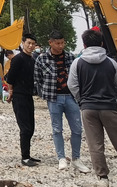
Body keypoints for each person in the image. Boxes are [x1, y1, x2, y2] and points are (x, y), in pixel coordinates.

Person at [68, 28, 117, 187]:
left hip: (88, 109)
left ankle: (103, 178)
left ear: (84, 44)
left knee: (95, 145)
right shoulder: (111, 63)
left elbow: (72, 85)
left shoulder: (77, 63)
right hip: (110, 108)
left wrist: (81, 101)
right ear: (102, 43)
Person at [33, 30, 89, 173]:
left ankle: (76, 158)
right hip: (53, 98)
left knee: (77, 129)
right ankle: (61, 158)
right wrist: (44, 93)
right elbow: (38, 78)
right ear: (50, 43)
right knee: (57, 129)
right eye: (57, 43)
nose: (60, 46)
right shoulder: (42, 59)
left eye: (62, 43)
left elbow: (77, 76)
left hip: (71, 97)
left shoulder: (71, 57)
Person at [4, 33, 39, 167]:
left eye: (33, 44)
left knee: (31, 127)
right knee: (25, 128)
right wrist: (10, 91)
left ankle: (28, 154)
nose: (30, 46)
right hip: (19, 96)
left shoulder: (32, 60)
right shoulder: (18, 59)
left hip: (28, 96)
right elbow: (10, 78)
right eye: (28, 43)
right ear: (23, 43)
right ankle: (24, 158)